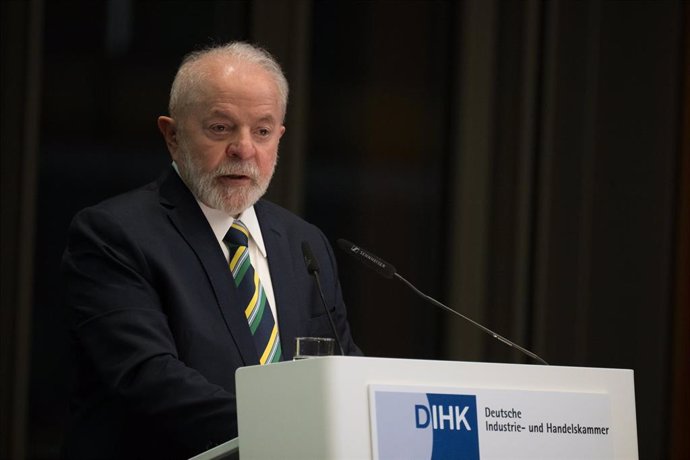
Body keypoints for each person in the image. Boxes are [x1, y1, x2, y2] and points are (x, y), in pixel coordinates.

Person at [61, 41, 361, 459]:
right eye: (221, 128)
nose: (243, 149)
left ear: (279, 137)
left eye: (262, 130)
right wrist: (289, 431)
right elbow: (147, 376)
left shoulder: (303, 242)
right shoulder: (114, 234)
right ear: (172, 135)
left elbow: (342, 369)